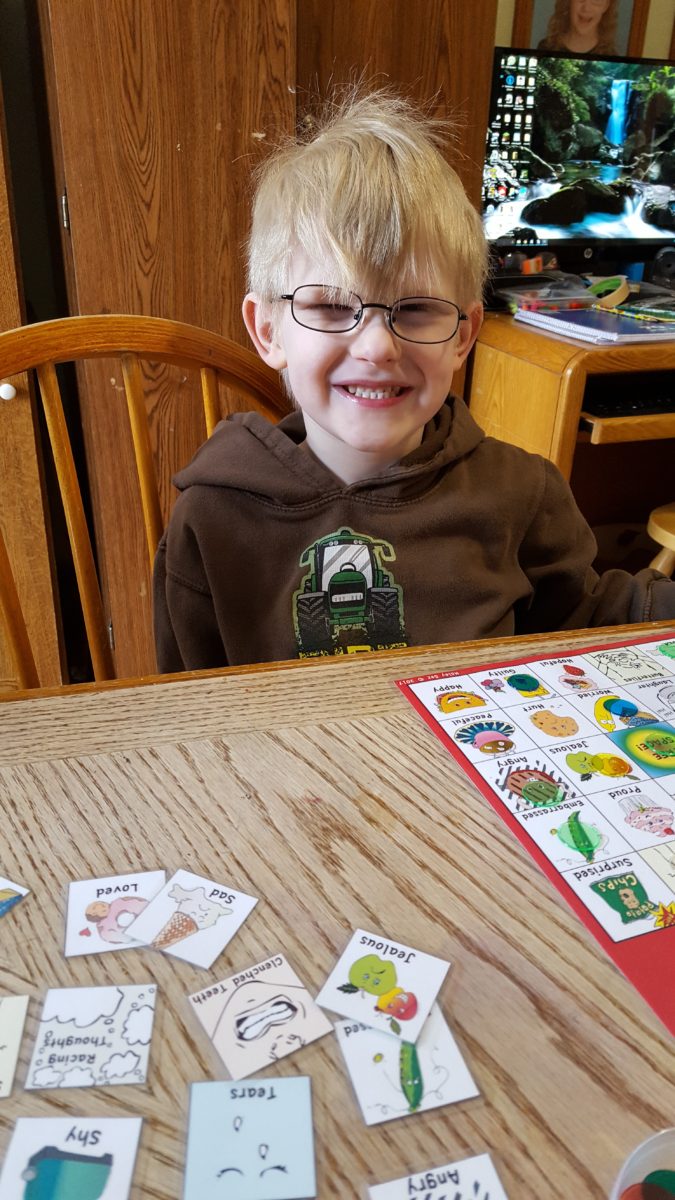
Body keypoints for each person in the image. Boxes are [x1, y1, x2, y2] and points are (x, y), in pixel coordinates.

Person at [153, 89, 675, 672]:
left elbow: (582, 619)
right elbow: (187, 701)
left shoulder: (523, 494)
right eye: (329, 306)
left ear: (462, 335)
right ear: (269, 330)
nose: (377, 346)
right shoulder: (212, 516)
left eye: (418, 309)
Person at [537, 0, 618, 55]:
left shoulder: (611, 56)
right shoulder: (546, 48)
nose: (586, 8)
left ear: (606, 6)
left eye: (595, 0)